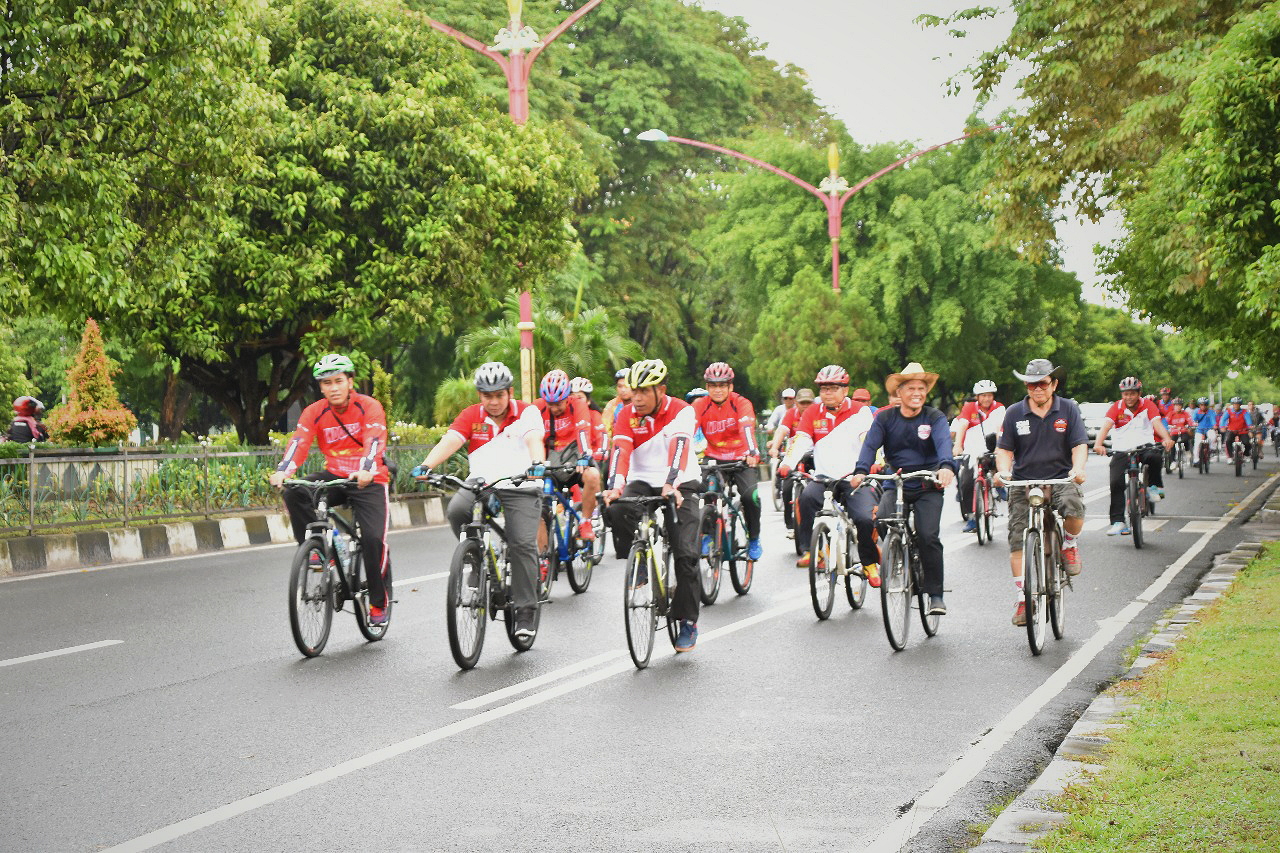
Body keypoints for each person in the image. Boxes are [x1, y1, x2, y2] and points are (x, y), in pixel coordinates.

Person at [414, 362, 546, 640]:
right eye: (488, 396)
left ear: (510, 392)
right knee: (457, 511)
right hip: (482, 482)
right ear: (480, 396)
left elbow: (535, 439)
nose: (494, 401)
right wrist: (426, 466)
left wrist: (536, 463)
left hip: (521, 483)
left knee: (521, 542)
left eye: (499, 395)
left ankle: (525, 610)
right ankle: (475, 556)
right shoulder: (472, 415)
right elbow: (451, 440)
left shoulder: (527, 412)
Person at [270, 354, 393, 625]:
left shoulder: (369, 406)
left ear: (350, 382)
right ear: (321, 387)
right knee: (295, 491)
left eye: (339, 381)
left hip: (368, 479)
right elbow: (299, 442)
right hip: (335, 475)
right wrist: (284, 471)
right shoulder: (314, 411)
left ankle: (377, 603)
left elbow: (374, 441)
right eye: (327, 383)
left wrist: (366, 469)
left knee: (373, 539)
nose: (333, 388)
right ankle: (315, 548)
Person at [603, 358, 703, 652]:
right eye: (634, 391)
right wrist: (615, 487)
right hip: (643, 480)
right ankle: (641, 559)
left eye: (645, 391)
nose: (637, 398)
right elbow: (620, 451)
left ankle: (687, 620)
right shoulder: (626, 414)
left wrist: (672, 483)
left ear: (662, 390)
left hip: (681, 481)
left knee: (685, 553)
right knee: (616, 508)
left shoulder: (681, 411)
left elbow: (679, 449)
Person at [850, 362, 957, 614]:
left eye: (921, 388)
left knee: (928, 535)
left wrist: (945, 466)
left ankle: (935, 594)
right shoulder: (885, 419)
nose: (917, 393)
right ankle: (899, 552)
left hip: (928, 483)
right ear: (899, 392)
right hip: (896, 483)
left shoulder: (934, 417)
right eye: (911, 388)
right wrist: (861, 470)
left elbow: (943, 444)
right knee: (882, 521)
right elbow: (869, 446)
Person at [993, 359, 1088, 626]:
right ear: (1026, 385)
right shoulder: (1013, 412)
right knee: (1016, 537)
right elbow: (1005, 450)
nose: (1038, 389)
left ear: (1053, 384)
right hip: (1024, 481)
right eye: (1032, 384)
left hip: (1061, 477)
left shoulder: (1068, 408)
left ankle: (1069, 543)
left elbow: (1079, 444)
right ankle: (1024, 597)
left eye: (1043, 383)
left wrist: (1078, 469)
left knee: (1074, 506)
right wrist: (1003, 471)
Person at [777, 365, 878, 582]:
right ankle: (811, 550)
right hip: (824, 478)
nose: (827, 393)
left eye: (833, 388)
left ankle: (869, 562)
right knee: (806, 499)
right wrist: (787, 463)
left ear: (845, 389)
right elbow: (801, 439)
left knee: (863, 518)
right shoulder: (813, 411)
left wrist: (873, 462)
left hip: (854, 478)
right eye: (823, 389)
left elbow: (867, 439)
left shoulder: (859, 411)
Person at [692, 362, 763, 560]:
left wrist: (751, 452)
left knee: (750, 497)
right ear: (707, 387)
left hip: (741, 457)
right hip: (714, 457)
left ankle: (754, 537)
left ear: (730, 387)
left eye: (722, 385)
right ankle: (707, 534)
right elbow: (687, 431)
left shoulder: (741, 403)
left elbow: (747, 428)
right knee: (706, 491)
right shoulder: (700, 406)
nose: (718, 390)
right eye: (713, 385)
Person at [1093, 377, 1175, 536]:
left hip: (1144, 446)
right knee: (1115, 482)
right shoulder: (1116, 407)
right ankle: (1119, 522)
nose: (1129, 397)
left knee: (1155, 457)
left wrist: (1166, 438)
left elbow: (1157, 423)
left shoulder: (1148, 405)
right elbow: (1106, 426)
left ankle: (1153, 487)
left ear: (1139, 393)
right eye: (1126, 394)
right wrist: (1098, 444)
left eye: (1132, 394)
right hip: (1122, 449)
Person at [535, 369, 601, 542]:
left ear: (567, 396)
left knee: (593, 476)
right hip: (549, 462)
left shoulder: (578, 404)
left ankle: (585, 522)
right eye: (550, 404)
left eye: (559, 403)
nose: (555, 408)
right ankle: (543, 561)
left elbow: (583, 431)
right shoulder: (537, 408)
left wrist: (584, 455)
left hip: (575, 459)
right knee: (540, 508)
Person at [952, 379, 1006, 533]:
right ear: (977, 396)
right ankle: (971, 518)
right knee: (966, 483)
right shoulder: (969, 407)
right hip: (972, 449)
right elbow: (962, 425)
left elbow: (999, 428)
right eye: (983, 396)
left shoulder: (999, 408)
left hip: (991, 447)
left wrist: (998, 448)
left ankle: (998, 485)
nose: (986, 399)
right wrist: (958, 445)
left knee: (999, 466)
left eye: (989, 395)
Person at [767, 387, 815, 534]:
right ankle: (790, 524)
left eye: (808, 403)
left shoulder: (819, 414)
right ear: (796, 403)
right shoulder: (790, 414)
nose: (805, 406)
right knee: (786, 487)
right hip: (793, 456)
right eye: (802, 403)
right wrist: (775, 447)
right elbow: (781, 430)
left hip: (813, 455)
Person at [1191, 397, 1217, 463]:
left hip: (1209, 429)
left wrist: (1214, 425)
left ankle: (1211, 449)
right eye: (1201, 405)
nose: (1203, 406)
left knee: (1213, 436)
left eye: (1205, 405)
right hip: (1199, 429)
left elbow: (1213, 420)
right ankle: (1196, 459)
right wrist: (1194, 423)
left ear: (1207, 405)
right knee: (1197, 443)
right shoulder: (1196, 411)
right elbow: (1193, 419)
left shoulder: (1211, 412)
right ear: (1199, 405)